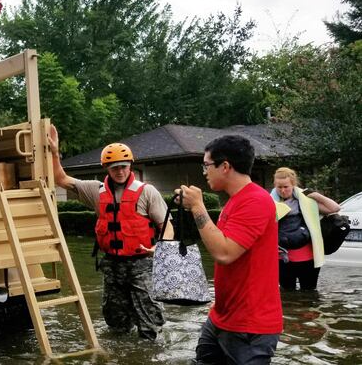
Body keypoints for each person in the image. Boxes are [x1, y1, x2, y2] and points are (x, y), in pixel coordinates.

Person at [47, 125, 167, 340]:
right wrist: (55, 153)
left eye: (123, 166)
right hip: (112, 265)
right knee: (115, 321)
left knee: (150, 320)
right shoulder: (95, 190)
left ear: (130, 165)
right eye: (114, 168)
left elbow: (166, 225)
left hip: (143, 264)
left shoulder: (147, 192)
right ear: (106, 169)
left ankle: (152, 354)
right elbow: (61, 179)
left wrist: (161, 247)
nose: (120, 171)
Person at [179, 135, 282, 364]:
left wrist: (197, 206)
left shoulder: (256, 200)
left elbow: (224, 253)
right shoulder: (235, 200)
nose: (204, 171)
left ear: (225, 166)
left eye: (206, 165)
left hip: (250, 327)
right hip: (221, 318)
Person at [271, 167, 340, 291]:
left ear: (293, 184)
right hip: (281, 258)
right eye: (279, 187)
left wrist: (317, 196)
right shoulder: (269, 203)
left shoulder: (306, 201)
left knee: (309, 293)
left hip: (308, 257)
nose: (282, 190)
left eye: (286, 187)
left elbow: (334, 208)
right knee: (287, 294)